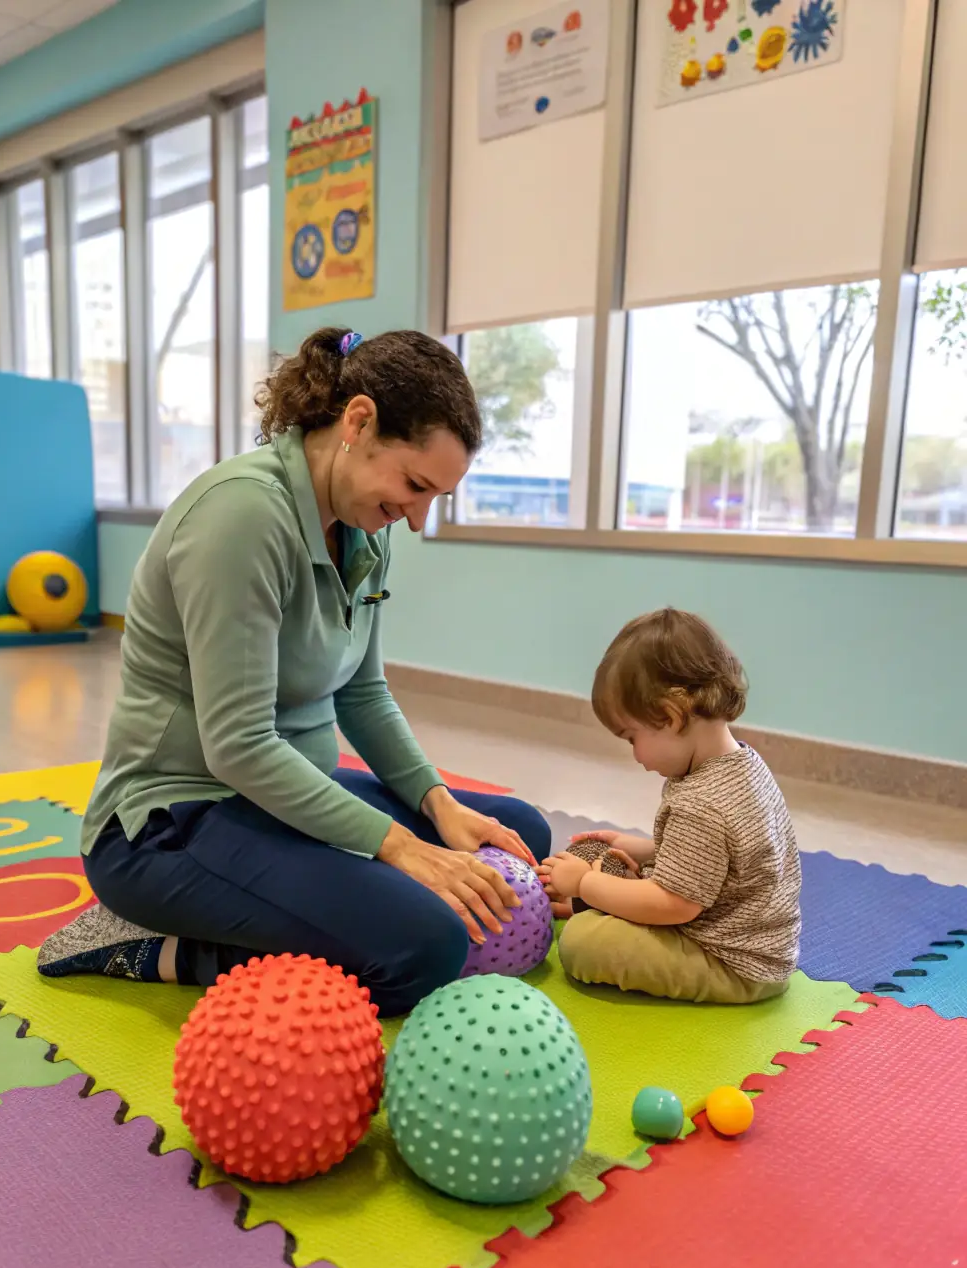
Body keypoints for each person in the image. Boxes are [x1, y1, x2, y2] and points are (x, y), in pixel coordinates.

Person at [39, 327, 551, 1015]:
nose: (419, 518)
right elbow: (239, 746)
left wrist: (439, 804)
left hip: (281, 803)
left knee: (520, 834)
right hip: (171, 824)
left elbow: (363, 693)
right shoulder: (243, 518)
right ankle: (151, 945)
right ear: (358, 421)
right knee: (426, 947)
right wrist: (401, 849)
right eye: (415, 484)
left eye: (438, 497)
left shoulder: (365, 526)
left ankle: (343, 899)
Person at [539, 608, 800, 1005]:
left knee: (583, 943)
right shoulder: (740, 763)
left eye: (631, 738)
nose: (635, 755)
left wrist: (584, 885)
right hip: (758, 944)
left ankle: (597, 897)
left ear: (671, 715)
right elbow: (721, 862)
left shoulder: (702, 804)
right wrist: (637, 846)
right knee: (611, 869)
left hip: (730, 962)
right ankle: (608, 892)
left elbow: (674, 905)